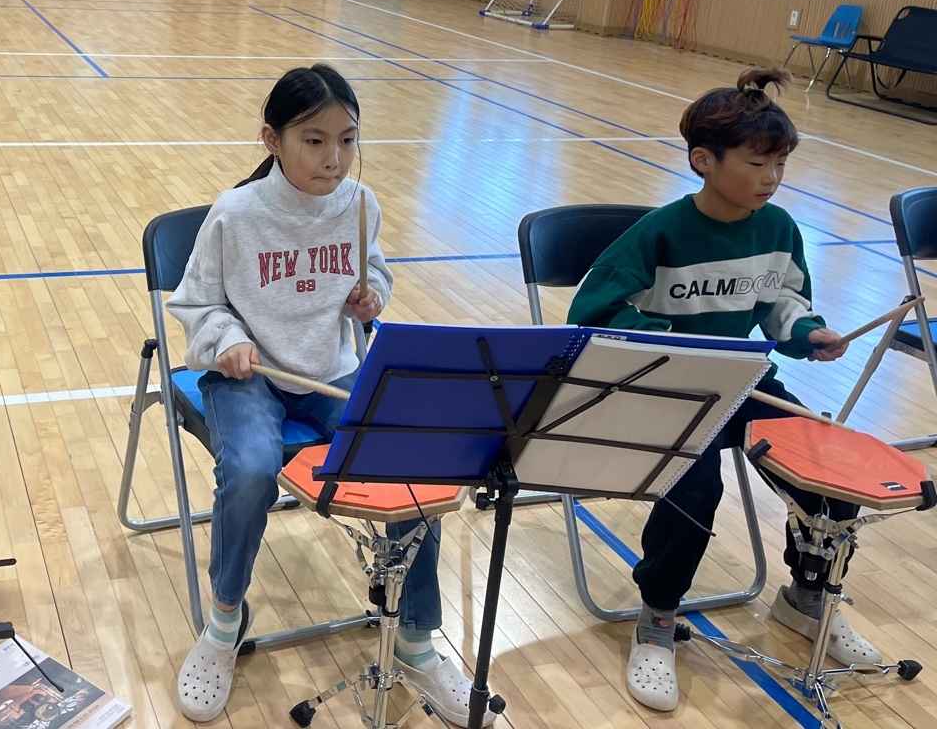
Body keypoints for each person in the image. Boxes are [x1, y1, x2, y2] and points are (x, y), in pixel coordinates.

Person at [167, 64, 492, 726]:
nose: (334, 159)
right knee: (251, 468)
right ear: (272, 139)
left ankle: (416, 640)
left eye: (347, 140)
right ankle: (224, 621)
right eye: (314, 141)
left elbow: (373, 270)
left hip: (332, 370)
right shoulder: (236, 213)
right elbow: (197, 303)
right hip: (249, 375)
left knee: (411, 461)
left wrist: (371, 295)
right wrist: (228, 337)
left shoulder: (359, 203)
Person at [567, 67, 881, 713]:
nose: (771, 177)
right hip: (668, 389)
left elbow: (785, 304)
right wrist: (664, 338)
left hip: (744, 381)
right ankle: (658, 616)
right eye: (757, 163)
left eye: (780, 164)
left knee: (830, 473)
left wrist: (809, 334)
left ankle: (808, 597)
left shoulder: (778, 229)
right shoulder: (660, 232)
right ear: (703, 161)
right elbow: (592, 311)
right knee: (695, 489)